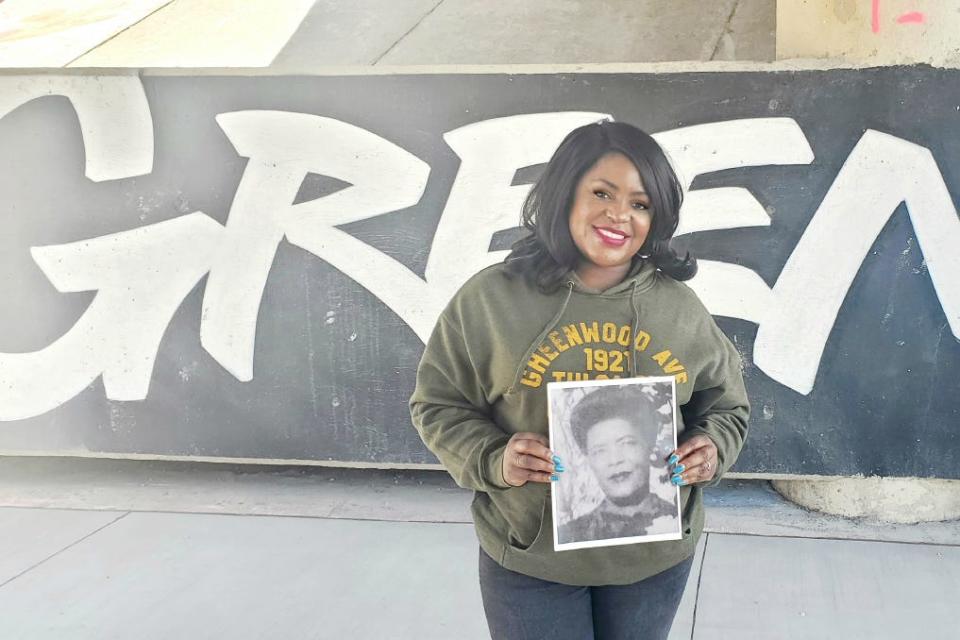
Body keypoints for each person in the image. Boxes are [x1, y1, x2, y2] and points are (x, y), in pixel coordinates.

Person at [410, 120, 750, 640]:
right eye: (602, 193)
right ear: (563, 195)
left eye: (640, 204)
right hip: (531, 560)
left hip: (653, 561)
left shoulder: (680, 310)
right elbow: (437, 405)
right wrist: (494, 457)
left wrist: (712, 449)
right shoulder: (489, 302)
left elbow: (727, 407)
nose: (620, 215)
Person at [558, 384, 676, 544]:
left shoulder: (676, 520)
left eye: (627, 443)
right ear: (588, 459)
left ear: (648, 444)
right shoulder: (569, 535)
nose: (614, 460)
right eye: (600, 451)